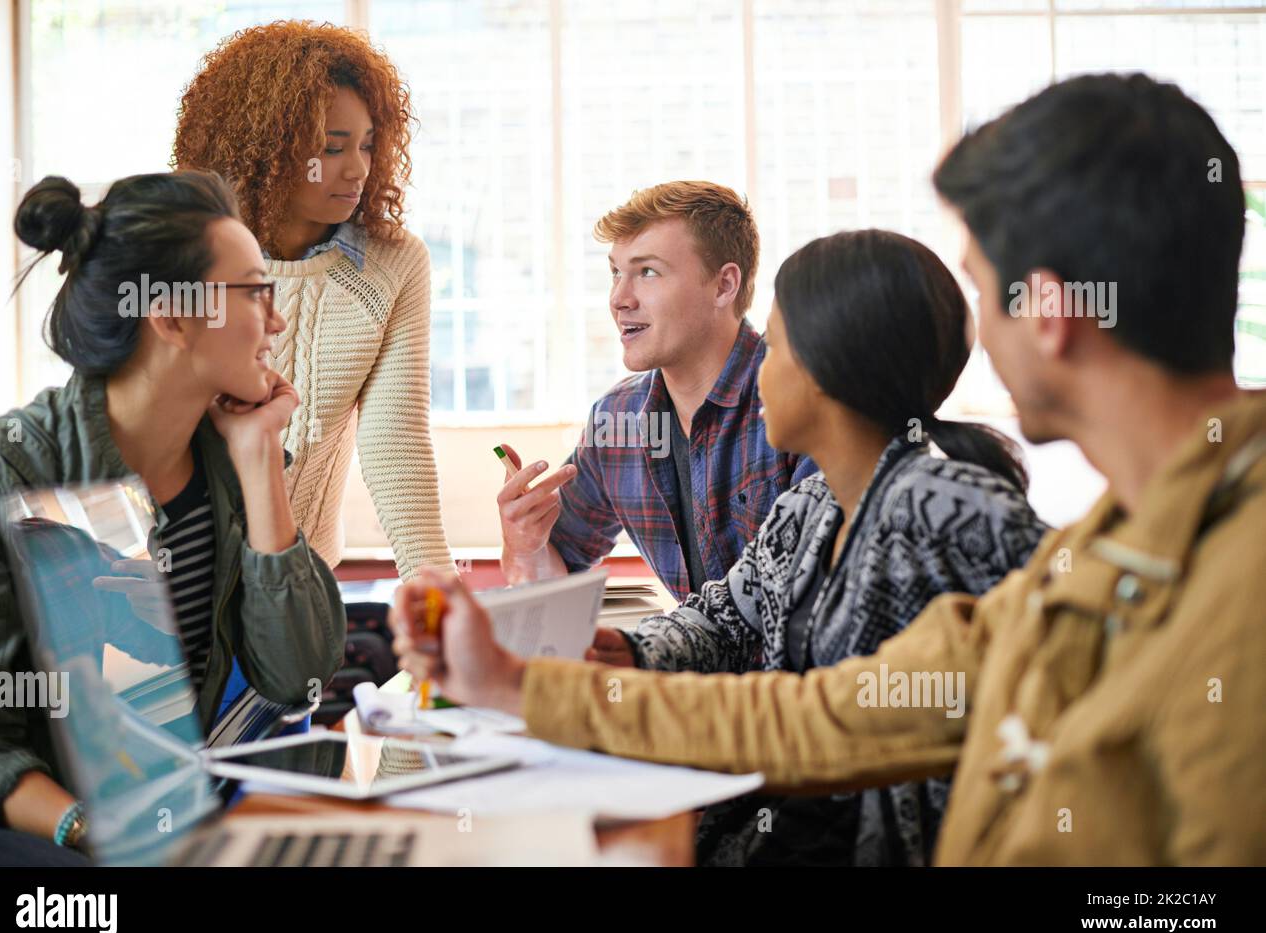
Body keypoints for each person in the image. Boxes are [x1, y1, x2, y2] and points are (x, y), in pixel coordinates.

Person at [394, 74, 1266, 865]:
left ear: (1047, 313)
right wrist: (519, 681)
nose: (974, 339)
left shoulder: (1230, 580)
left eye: (979, 285)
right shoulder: (1099, 556)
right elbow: (818, 716)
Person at [577, 229, 1046, 865]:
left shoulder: (948, 511)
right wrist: (628, 650)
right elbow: (722, 622)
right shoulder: (809, 507)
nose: (759, 367)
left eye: (777, 347)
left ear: (829, 368)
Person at [0, 171, 346, 863]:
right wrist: (97, 833)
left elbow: (300, 680)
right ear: (169, 316)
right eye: (256, 291)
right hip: (54, 841)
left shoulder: (228, 463)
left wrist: (260, 461)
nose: (279, 319)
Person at [173, 20, 452, 575]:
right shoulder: (184, 257)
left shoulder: (393, 264)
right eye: (331, 146)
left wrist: (438, 589)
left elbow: (395, 437)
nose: (358, 168)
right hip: (176, 576)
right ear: (264, 150)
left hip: (303, 582)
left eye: (369, 144)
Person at [498, 181, 815, 602]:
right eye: (616, 272)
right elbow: (551, 580)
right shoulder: (618, 419)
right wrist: (525, 544)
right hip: (689, 658)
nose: (618, 299)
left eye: (647, 272)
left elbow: (821, 601)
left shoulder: (808, 399)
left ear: (724, 286)